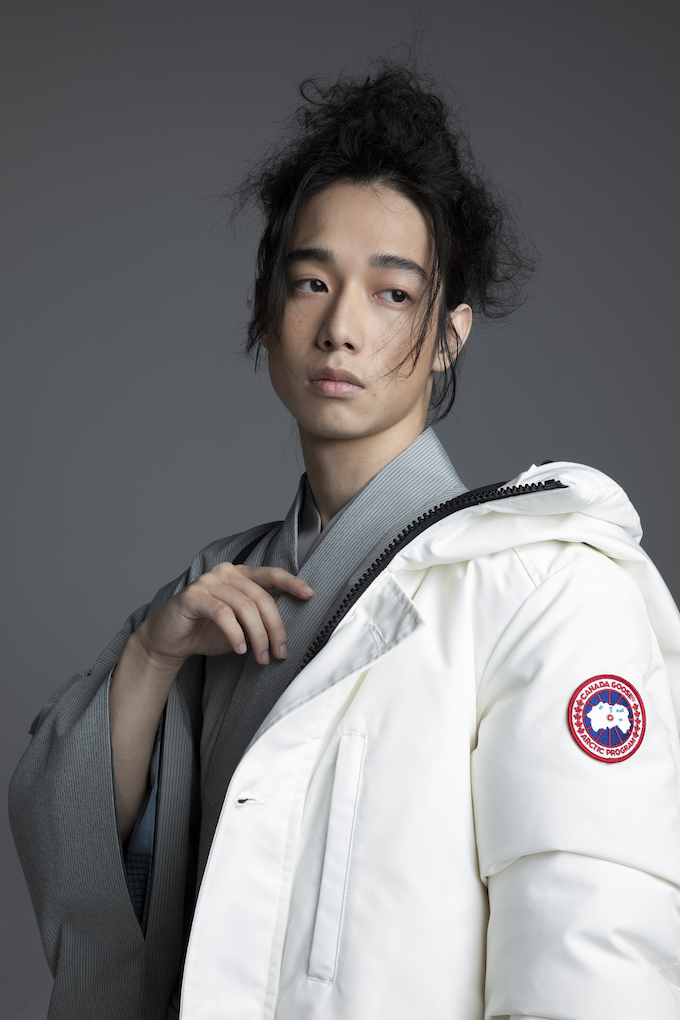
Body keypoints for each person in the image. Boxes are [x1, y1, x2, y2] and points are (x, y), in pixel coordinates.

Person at [9, 61, 680, 1020]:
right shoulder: (220, 592)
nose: (341, 328)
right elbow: (80, 857)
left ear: (449, 336)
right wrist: (151, 656)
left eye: (393, 294)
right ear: (266, 312)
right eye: (311, 282)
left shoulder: (546, 585)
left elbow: (593, 958)